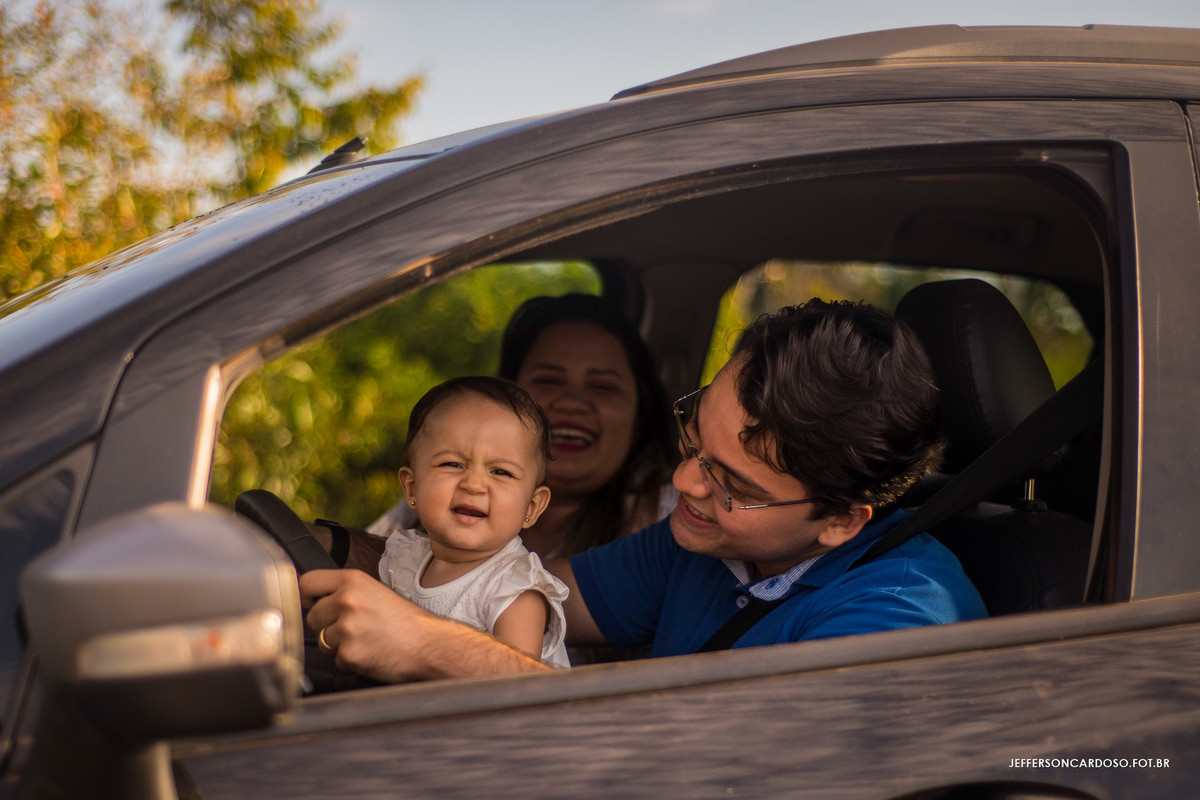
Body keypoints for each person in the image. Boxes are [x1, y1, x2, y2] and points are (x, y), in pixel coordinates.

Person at [300, 299, 987, 682]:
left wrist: (430, 647)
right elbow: (494, 579)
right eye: (695, 437)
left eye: (730, 481)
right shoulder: (703, 545)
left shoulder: (896, 627)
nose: (684, 481)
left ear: (841, 521)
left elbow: (691, 776)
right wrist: (322, 550)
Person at [370, 293, 678, 559]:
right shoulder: (445, 490)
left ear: (639, 418)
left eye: (602, 387)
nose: (571, 402)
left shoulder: (670, 515)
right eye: (549, 381)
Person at [368, 375, 570, 668]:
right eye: (452, 464)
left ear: (532, 507)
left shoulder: (515, 590)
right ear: (411, 488)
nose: (474, 484)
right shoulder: (405, 560)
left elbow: (516, 688)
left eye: (501, 472)